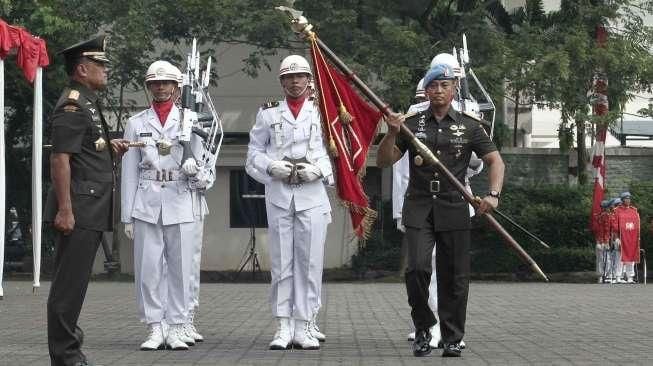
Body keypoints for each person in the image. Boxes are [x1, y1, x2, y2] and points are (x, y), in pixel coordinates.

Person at [377, 63, 505, 358]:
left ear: (454, 89)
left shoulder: (470, 125)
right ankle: (424, 327)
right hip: (419, 205)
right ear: (426, 89)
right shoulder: (411, 123)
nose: (438, 90)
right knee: (417, 269)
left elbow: (496, 161)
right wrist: (390, 133)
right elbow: (384, 161)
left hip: (454, 205)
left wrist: (493, 195)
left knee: (455, 276)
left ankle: (453, 337)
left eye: (444, 85)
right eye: (433, 85)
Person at [44, 35, 129, 366]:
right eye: (101, 65)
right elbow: (60, 159)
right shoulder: (72, 104)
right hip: (78, 207)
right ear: (82, 69)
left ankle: (69, 349)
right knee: (68, 286)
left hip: (90, 204)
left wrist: (110, 148)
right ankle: (65, 356)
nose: (106, 70)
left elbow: (83, 152)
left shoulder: (87, 102)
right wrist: (65, 209)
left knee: (75, 285)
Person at [245, 54, 333, 350]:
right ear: (281, 82)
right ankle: (283, 325)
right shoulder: (268, 113)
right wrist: (270, 166)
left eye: (300, 77)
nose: (294, 82)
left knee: (310, 264)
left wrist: (320, 170)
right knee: (282, 264)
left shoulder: (324, 112)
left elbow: (341, 155)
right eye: (288, 77)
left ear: (310, 81)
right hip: (281, 196)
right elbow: (253, 154)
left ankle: (305, 324)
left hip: (312, 196)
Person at [121, 60, 210, 351]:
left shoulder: (191, 119)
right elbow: (130, 170)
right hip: (147, 200)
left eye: (165, 83)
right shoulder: (136, 123)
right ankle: (154, 327)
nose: (160, 87)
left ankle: (176, 326)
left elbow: (205, 163)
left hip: (180, 196)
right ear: (148, 88)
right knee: (148, 268)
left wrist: (195, 171)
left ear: (175, 87)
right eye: (154, 83)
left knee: (181, 268)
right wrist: (127, 215)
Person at [614, 192, 640, 283]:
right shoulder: (617, 210)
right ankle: (618, 276)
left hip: (632, 238)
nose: (628, 200)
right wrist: (616, 237)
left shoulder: (634, 210)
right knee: (620, 258)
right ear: (622, 200)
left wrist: (638, 237)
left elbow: (637, 226)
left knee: (631, 257)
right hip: (621, 237)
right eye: (626, 198)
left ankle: (630, 277)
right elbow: (615, 225)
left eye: (629, 198)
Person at [595, 200, 611, 283]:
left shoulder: (602, 216)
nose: (610, 208)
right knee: (603, 259)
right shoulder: (604, 216)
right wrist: (603, 242)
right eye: (608, 207)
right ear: (605, 208)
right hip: (602, 241)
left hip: (603, 241)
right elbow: (602, 230)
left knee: (604, 259)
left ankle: (604, 276)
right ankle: (602, 276)